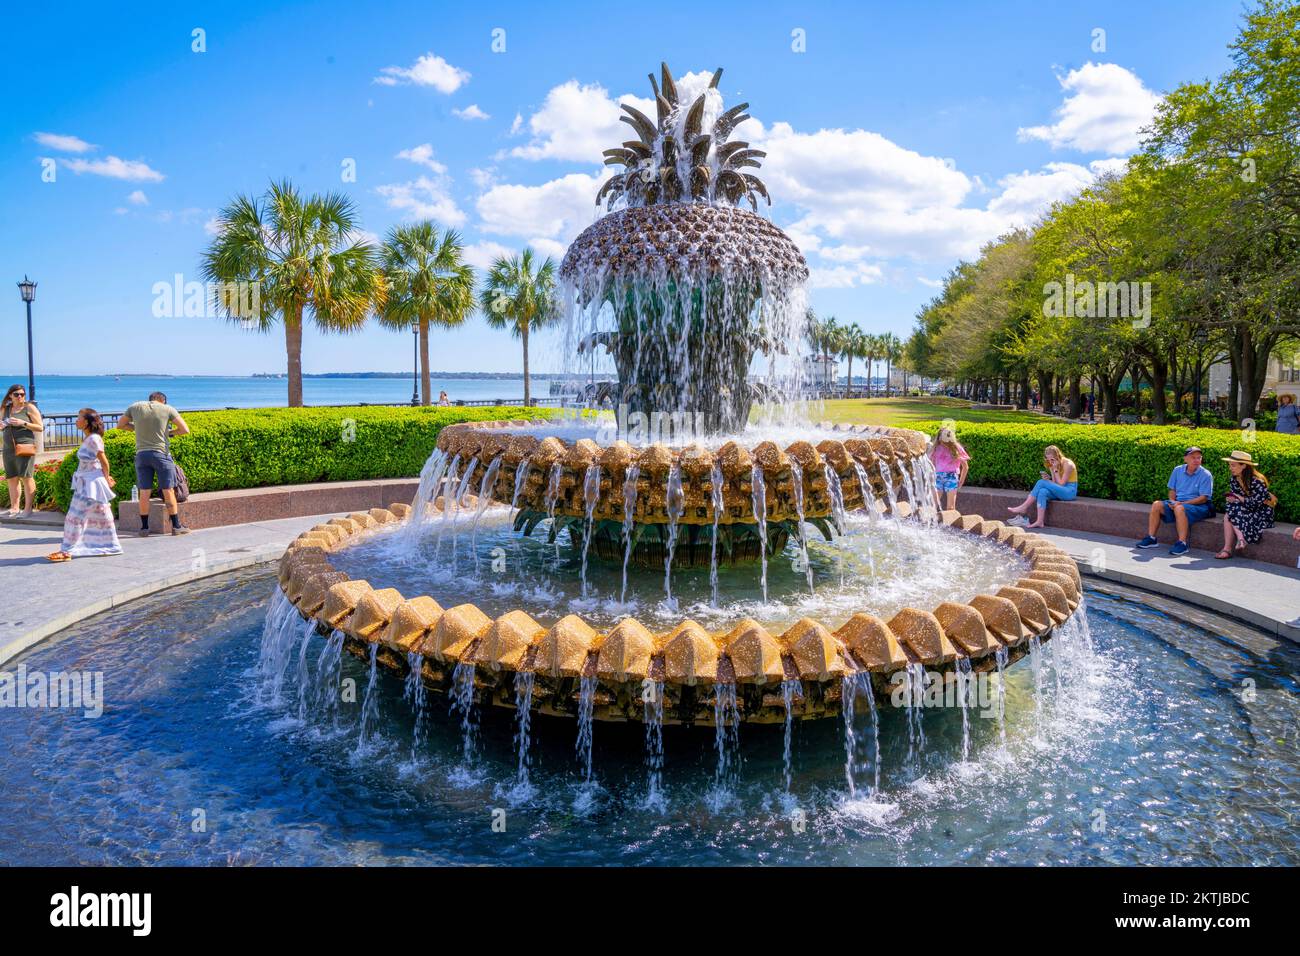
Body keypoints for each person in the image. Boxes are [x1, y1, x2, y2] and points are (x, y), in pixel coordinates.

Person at [47, 409, 122, 561]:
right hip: (87, 481)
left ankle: (68, 549)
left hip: (91, 483)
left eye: (78, 418)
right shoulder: (89, 438)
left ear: (86, 422)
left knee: (74, 517)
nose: (76, 420)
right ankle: (110, 545)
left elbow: (104, 461)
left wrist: (107, 478)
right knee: (100, 514)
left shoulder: (94, 438)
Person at [117, 391, 190, 536]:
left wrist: (137, 429)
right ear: (162, 400)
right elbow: (184, 430)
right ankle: (176, 526)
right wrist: (168, 433)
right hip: (161, 454)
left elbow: (121, 425)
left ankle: (144, 528)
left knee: (144, 492)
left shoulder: (135, 407)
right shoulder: (168, 409)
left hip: (142, 455)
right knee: (168, 490)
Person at [1136, 446, 1214, 556]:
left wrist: (1181, 504)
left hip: (1200, 506)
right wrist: (1172, 501)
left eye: (1199, 458)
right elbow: (1172, 490)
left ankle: (1182, 544)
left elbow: (1204, 498)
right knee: (1156, 505)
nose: (1196, 460)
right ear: (1185, 459)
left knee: (1179, 508)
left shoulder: (1206, 474)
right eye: (1193, 457)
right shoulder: (1178, 470)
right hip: (1179, 503)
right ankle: (1151, 538)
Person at [1216, 450, 1275, 559]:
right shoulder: (1234, 479)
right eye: (1230, 465)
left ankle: (1231, 547)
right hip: (1243, 510)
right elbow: (1238, 500)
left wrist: (1238, 498)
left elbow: (1256, 504)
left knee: (1228, 515)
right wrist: (1233, 499)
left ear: (1243, 466)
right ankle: (1237, 541)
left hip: (1261, 513)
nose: (1230, 468)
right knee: (1229, 511)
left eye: (1233, 465)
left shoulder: (1258, 481)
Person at [1007, 444, 1078, 528]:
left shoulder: (1068, 464)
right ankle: (1040, 521)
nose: (1050, 462)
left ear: (1058, 455)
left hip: (1069, 492)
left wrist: (1055, 470)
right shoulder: (1054, 464)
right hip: (1061, 490)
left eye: (1052, 459)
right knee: (1042, 491)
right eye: (1048, 460)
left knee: (1041, 482)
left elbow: (1062, 484)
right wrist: (1049, 478)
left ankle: (1024, 507)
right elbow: (1056, 483)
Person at [3, 383, 44, 519]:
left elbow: (40, 427)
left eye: (22, 394)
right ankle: (15, 508)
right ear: (10, 396)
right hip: (9, 447)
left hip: (25, 446)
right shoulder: (6, 409)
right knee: (12, 477)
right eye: (17, 394)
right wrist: (2, 425)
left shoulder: (29, 408)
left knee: (26, 477)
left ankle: (28, 509)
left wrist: (23, 423)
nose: (20, 396)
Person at [928, 425, 970, 511]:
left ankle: (950, 523)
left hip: (951, 477)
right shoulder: (936, 448)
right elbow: (932, 464)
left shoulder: (957, 448)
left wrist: (961, 481)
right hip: (938, 477)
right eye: (941, 440)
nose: (943, 443)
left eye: (945, 441)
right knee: (933, 505)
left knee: (950, 507)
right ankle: (930, 522)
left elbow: (965, 466)